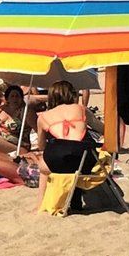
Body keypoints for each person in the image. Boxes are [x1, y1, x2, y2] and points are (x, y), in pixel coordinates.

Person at [35, 81, 96, 213]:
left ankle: (40, 205)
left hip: (57, 160)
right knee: (76, 157)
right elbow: (102, 129)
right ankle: (75, 198)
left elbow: (41, 146)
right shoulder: (81, 109)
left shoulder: (43, 117)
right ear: (71, 95)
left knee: (43, 166)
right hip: (83, 159)